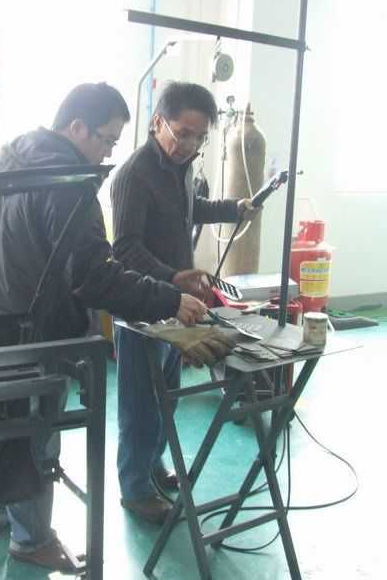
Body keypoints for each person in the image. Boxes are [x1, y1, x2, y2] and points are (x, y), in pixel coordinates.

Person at [0, 82, 211, 572]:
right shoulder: (68, 181)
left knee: (9, 422)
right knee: (37, 432)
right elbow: (93, 274)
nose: (106, 153)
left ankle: (1, 510)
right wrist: (169, 297)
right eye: (106, 140)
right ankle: (31, 539)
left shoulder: (13, 156)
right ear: (77, 127)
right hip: (39, 330)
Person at [110, 81, 259, 524]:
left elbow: (191, 208)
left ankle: (153, 465)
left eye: (199, 137)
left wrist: (234, 208)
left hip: (175, 306)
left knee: (166, 397)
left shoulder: (181, 167)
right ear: (158, 122)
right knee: (140, 404)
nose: (190, 145)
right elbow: (125, 249)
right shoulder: (134, 175)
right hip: (141, 308)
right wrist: (174, 277)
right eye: (182, 133)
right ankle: (135, 489)